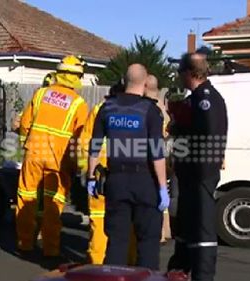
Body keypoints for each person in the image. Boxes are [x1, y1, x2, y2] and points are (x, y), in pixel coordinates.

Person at [87, 64, 169, 270]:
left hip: (116, 181)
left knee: (116, 241)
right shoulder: (150, 110)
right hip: (145, 182)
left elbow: (94, 146)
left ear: (124, 81)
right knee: (148, 243)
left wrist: (90, 177)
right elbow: (157, 153)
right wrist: (162, 187)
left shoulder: (108, 108)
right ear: (144, 83)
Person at [16, 55, 88, 261]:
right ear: (77, 77)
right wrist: (78, 164)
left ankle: (25, 243)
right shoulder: (78, 104)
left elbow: (24, 123)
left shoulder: (40, 94)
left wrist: (24, 144)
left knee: (26, 197)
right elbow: (81, 138)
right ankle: (51, 249)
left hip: (34, 154)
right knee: (53, 204)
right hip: (59, 159)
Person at [167, 53, 228, 281]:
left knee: (201, 228)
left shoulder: (206, 99)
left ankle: (202, 275)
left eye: (180, 72)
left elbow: (208, 134)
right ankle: (180, 267)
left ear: (188, 72)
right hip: (190, 174)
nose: (178, 77)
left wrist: (179, 128)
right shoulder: (194, 99)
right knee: (186, 226)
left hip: (200, 173)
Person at [143, 75, 172, 243]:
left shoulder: (150, 109)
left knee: (155, 193)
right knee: (163, 192)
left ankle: (158, 232)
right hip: (166, 155)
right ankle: (165, 230)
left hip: (153, 156)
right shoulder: (163, 107)